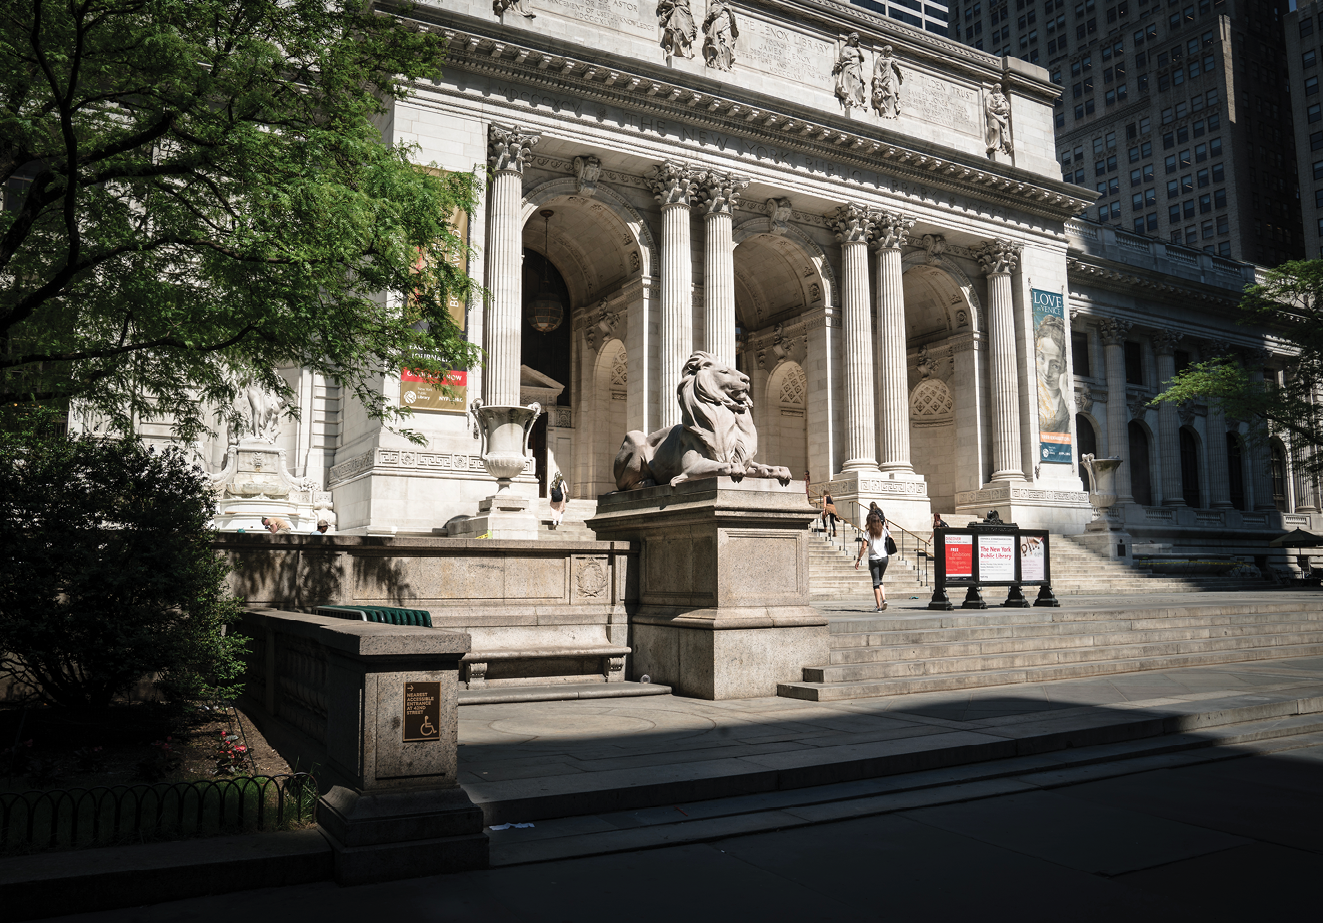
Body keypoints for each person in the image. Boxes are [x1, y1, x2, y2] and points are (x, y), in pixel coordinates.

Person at [1035, 313, 1070, 435]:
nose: (1046, 372)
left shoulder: (1067, 409)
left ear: (1064, 367)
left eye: (1055, 365)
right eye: (1041, 358)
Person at [854, 511, 891, 611]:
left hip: (873, 559)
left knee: (875, 582)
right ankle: (884, 599)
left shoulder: (868, 532)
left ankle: (878, 607)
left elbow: (863, 547)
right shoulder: (884, 530)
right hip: (884, 557)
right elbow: (892, 539)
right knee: (880, 580)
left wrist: (858, 559)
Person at [832, 33, 866, 111]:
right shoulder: (845, 48)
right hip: (849, 68)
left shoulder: (857, 49)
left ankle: (857, 102)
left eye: (857, 39)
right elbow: (842, 57)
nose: (856, 40)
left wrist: (859, 50)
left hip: (857, 69)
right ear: (850, 38)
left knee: (858, 85)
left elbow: (863, 59)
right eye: (854, 38)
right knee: (850, 85)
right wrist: (850, 57)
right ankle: (850, 101)